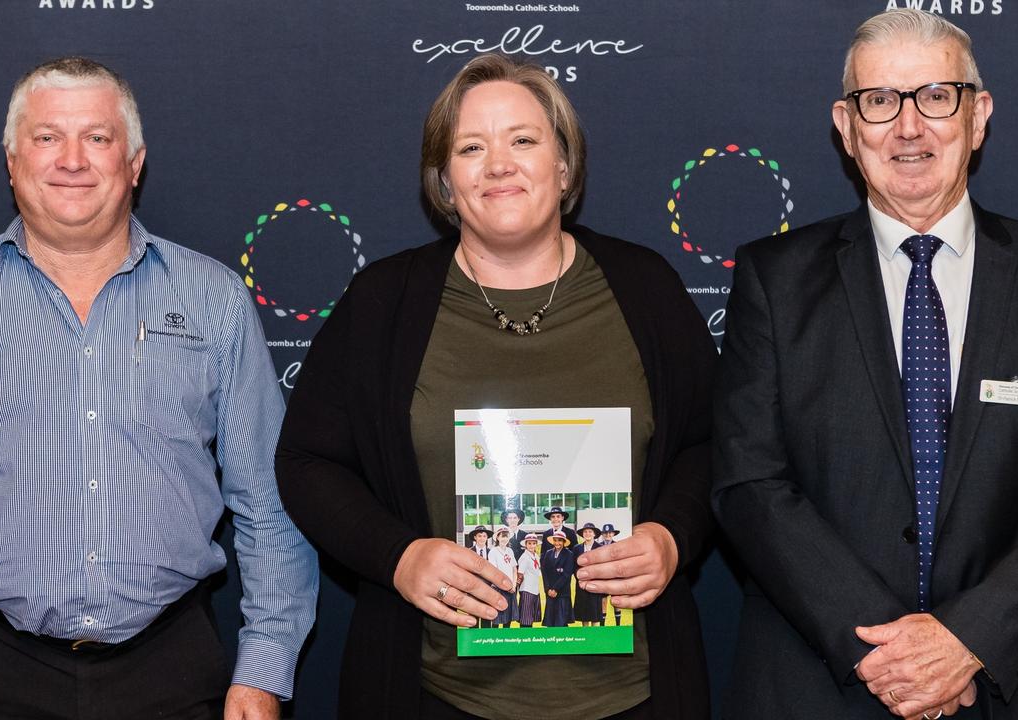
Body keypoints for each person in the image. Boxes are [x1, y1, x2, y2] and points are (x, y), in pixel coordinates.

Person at [0, 57, 317, 720]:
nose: (72, 159)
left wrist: (265, 668)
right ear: (13, 161)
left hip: (176, 671)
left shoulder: (214, 300)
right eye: (47, 138)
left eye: (97, 138)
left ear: (135, 162)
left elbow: (269, 506)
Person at [276, 53, 715, 719]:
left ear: (564, 168)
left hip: (634, 696)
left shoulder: (645, 289)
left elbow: (715, 446)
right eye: (471, 147)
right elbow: (307, 461)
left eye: (524, 140)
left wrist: (672, 536)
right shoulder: (382, 304)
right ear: (445, 183)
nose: (499, 165)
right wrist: (399, 557)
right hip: (435, 695)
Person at [712, 10, 1018, 719]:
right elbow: (749, 482)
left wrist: (966, 638)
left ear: (978, 116)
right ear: (847, 127)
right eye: (880, 101)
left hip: (1016, 681)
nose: (908, 127)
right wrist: (894, 656)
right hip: (824, 684)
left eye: (936, 96)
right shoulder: (774, 279)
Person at [571, 524, 604, 626]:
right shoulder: (577, 548)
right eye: (585, 532)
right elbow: (573, 566)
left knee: (595, 614)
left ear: (594, 534)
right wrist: (580, 577)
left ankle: (595, 638)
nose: (587, 534)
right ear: (582, 534)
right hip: (581, 585)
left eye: (590, 532)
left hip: (595, 585)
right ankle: (585, 638)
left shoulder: (600, 548)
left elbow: (602, 567)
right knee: (583, 614)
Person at [541, 532, 576, 628]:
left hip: (562, 593)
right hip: (550, 593)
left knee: (561, 622)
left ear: (564, 542)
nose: (557, 543)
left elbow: (566, 574)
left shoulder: (569, 554)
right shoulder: (548, 553)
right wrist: (548, 589)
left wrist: (556, 589)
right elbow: (544, 572)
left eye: (560, 540)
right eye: (555, 540)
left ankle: (563, 642)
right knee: (550, 621)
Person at [486, 528, 519, 628]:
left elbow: (514, 569)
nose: (505, 539)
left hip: (511, 589)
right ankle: (495, 640)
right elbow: (495, 572)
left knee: (508, 617)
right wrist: (505, 586)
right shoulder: (493, 551)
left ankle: (506, 640)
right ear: (498, 538)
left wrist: (513, 585)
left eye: (506, 536)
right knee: (497, 617)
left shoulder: (510, 551)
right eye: (502, 536)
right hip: (499, 588)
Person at [516, 533, 544, 628]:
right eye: (529, 543)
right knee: (525, 618)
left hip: (535, 589)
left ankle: (529, 638)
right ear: (526, 545)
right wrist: (517, 588)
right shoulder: (524, 557)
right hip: (527, 589)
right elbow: (520, 574)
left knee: (531, 616)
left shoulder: (536, 556)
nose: (531, 546)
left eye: (533, 543)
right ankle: (523, 638)